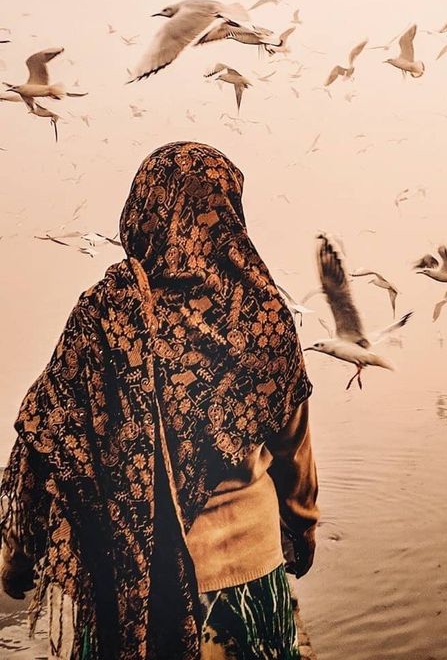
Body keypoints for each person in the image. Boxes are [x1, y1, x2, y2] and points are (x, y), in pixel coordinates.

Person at [0, 142, 318, 660]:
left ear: (143, 211)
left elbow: (50, 440)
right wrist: (302, 529)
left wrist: (19, 556)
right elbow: (294, 447)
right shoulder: (264, 318)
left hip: (129, 587)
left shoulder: (107, 315)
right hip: (246, 580)